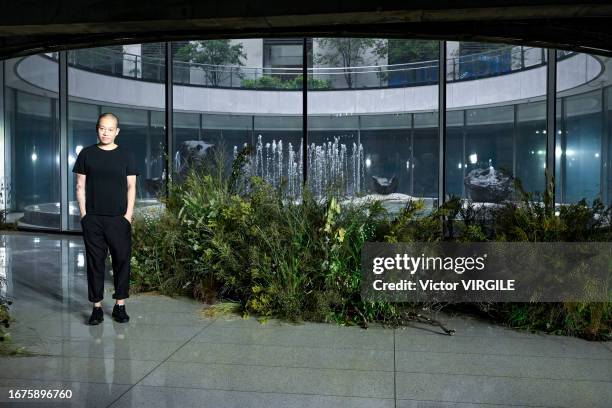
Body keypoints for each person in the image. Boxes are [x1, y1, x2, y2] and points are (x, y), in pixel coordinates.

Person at [72, 113, 139, 325]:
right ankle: (97, 308)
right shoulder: (86, 154)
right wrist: (84, 214)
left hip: (119, 219)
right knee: (95, 263)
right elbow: (80, 186)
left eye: (110, 129)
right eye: (102, 128)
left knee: (121, 261)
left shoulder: (127, 155)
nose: (106, 132)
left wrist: (127, 216)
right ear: (97, 129)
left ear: (117, 131)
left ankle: (120, 305)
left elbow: (131, 187)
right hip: (93, 219)